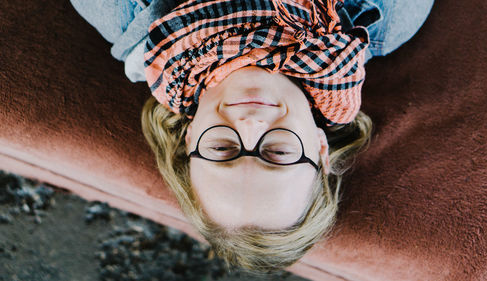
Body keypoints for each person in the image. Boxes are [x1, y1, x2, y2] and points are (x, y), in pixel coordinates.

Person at [70, 0, 434, 272]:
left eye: (222, 148)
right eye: (277, 152)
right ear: (321, 148)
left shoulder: (121, 11)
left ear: (190, 138)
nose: (250, 123)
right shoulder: (388, 19)